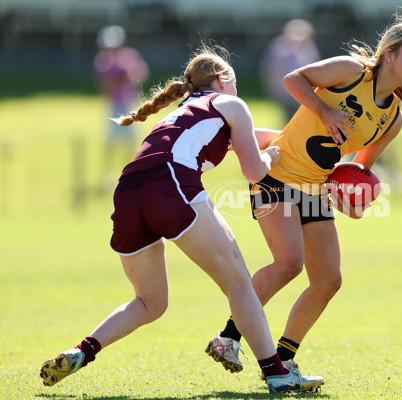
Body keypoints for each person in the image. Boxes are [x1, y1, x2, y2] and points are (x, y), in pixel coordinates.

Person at [39, 44, 324, 394]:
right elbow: (254, 171)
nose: (237, 90)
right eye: (233, 82)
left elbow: (246, 142)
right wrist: (273, 158)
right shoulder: (232, 104)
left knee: (150, 302)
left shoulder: (182, 112)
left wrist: (283, 145)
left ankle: (81, 352)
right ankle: (276, 372)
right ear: (222, 80)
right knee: (238, 284)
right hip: (170, 184)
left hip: (128, 192)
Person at [206, 7, 402, 377]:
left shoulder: (392, 119)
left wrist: (356, 201)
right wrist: (323, 111)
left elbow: (357, 170)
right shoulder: (350, 71)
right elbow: (292, 79)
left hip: (315, 190)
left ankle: (284, 360)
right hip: (276, 175)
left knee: (329, 280)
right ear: (389, 54)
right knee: (288, 264)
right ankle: (228, 337)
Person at [94, 25, 149, 192]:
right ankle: (108, 178)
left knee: (131, 143)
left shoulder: (130, 57)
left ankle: (131, 175)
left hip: (130, 104)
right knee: (111, 143)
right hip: (114, 105)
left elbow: (139, 75)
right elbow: (105, 85)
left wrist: (125, 77)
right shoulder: (103, 60)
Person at [261, 19, 320, 121]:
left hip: (304, 89)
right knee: (290, 119)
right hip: (284, 90)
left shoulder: (309, 47)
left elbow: (315, 65)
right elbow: (271, 70)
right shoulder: (279, 47)